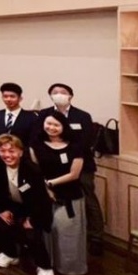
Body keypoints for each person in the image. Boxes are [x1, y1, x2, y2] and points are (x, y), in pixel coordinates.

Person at [39, 82, 103, 255]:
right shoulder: (44, 114)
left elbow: (85, 141)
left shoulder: (82, 116)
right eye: (55, 92)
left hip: (81, 165)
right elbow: (38, 138)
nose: (59, 94)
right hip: (52, 165)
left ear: (71, 96)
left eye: (63, 92)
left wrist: (70, 158)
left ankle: (96, 237)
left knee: (89, 199)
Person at [0, 134, 54, 275]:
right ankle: (10, 254)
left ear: (21, 152)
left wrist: (32, 219)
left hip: (34, 209)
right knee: (1, 224)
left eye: (12, 151)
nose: (7, 155)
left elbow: (41, 200)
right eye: (2, 151)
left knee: (32, 234)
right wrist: (1, 210)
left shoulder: (32, 170)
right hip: (10, 205)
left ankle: (44, 267)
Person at [30, 113, 87, 275]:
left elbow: (74, 174)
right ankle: (47, 265)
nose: (51, 128)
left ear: (64, 126)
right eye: (48, 124)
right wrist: (46, 188)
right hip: (44, 195)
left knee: (67, 232)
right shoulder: (36, 145)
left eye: (56, 125)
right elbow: (35, 170)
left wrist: (51, 183)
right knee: (48, 230)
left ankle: (69, 267)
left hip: (70, 195)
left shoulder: (76, 146)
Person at [0, 82, 39, 155]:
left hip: (23, 156)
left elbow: (33, 140)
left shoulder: (31, 117)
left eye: (12, 96)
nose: (8, 99)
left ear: (20, 98)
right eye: (5, 96)